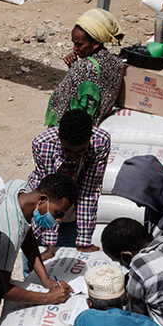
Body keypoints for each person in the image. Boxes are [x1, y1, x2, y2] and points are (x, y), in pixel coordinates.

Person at [0, 172, 78, 306]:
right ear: (42, 200)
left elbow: (27, 236)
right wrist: (48, 298)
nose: (59, 220)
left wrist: (45, 280)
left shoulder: (19, 187)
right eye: (58, 213)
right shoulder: (10, 233)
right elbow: (0, 288)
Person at [29, 109, 110, 255]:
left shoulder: (100, 142)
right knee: (36, 256)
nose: (73, 155)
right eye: (67, 150)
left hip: (73, 202)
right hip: (45, 202)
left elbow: (89, 192)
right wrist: (49, 245)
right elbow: (50, 195)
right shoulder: (43, 145)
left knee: (69, 252)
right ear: (59, 138)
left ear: (89, 140)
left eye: (80, 151)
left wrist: (84, 241)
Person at [46, 8, 127, 127]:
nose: (74, 48)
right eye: (74, 43)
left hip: (74, 128)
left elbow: (73, 99)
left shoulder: (83, 67)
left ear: (96, 44)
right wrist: (73, 66)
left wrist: (75, 68)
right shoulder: (117, 62)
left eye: (79, 44)